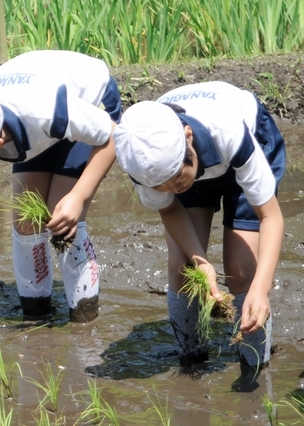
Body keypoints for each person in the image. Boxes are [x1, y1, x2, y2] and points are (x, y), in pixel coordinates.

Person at [0, 50, 120, 338]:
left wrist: (78, 196)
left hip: (89, 103)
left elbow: (112, 135)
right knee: (26, 222)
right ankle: (35, 319)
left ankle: (84, 324)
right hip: (36, 117)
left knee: (61, 219)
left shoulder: (44, 111)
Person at [113, 82, 284, 375]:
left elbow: (271, 217)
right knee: (183, 267)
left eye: (177, 180)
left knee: (241, 270)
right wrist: (201, 262)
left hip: (244, 142)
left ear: (189, 136)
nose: (174, 189)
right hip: (186, 162)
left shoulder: (228, 131)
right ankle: (191, 362)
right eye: (163, 187)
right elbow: (170, 208)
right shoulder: (140, 160)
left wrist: (261, 288)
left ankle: (255, 365)